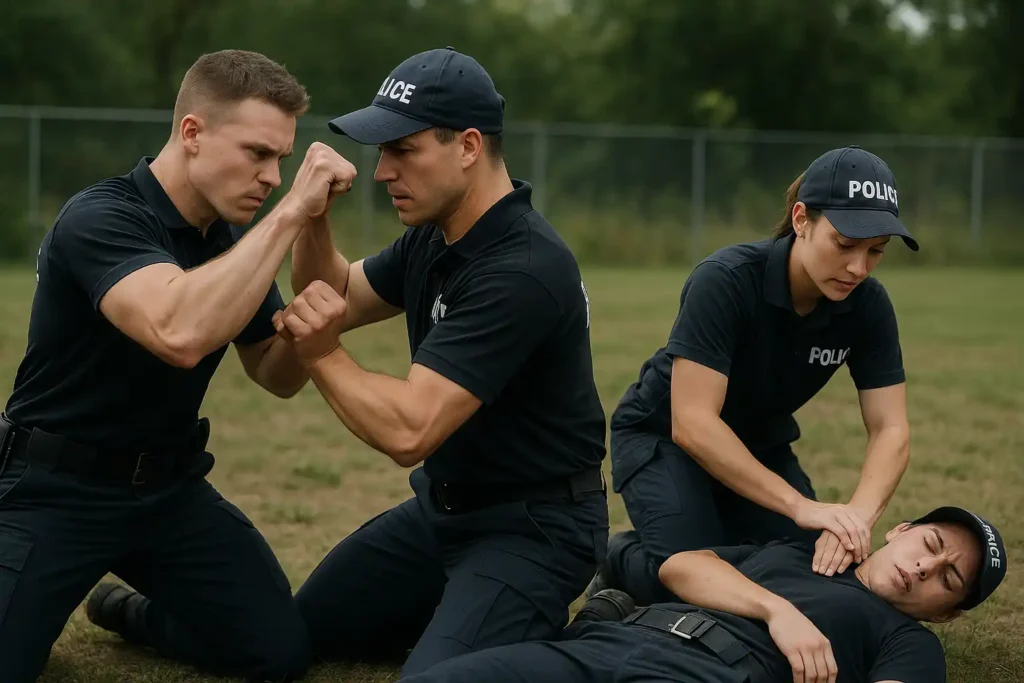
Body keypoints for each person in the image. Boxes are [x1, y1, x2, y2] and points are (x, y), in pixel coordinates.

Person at [0, 49, 357, 683]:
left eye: (281, 159)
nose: (272, 177)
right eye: (257, 153)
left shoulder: (226, 238)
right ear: (192, 132)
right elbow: (178, 331)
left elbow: (273, 375)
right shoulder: (100, 217)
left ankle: (128, 611)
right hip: (57, 488)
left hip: (168, 492)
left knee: (277, 653)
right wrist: (291, 214)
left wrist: (314, 334)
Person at [270, 46, 609, 677]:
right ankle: (137, 613)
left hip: (533, 530)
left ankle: (602, 629)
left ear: (469, 146)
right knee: (291, 636)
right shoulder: (438, 234)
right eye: (382, 152)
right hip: (444, 512)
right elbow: (335, 292)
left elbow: (410, 429)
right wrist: (313, 220)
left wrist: (321, 352)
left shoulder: (522, 268)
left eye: (403, 150)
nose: (382, 172)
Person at [589, 145, 920, 607]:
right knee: (703, 585)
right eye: (845, 245)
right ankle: (620, 558)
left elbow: (891, 429)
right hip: (664, 440)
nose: (858, 268)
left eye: (876, 251)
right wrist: (801, 507)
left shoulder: (868, 306)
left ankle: (710, 540)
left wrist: (855, 520)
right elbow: (692, 423)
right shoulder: (725, 279)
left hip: (761, 448)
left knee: (811, 578)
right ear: (801, 219)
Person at [400, 504, 1007, 683]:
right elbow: (682, 568)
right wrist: (777, 610)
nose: (924, 568)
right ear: (899, 530)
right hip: (604, 643)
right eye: (930, 545)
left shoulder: (908, 643)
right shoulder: (795, 551)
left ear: (947, 615)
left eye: (948, 579)